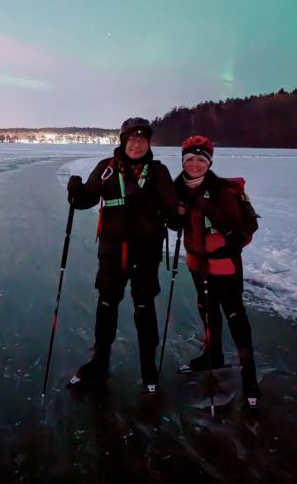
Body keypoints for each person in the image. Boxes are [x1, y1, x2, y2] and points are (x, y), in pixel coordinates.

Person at [66, 117, 177, 394]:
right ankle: (99, 362)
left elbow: (174, 211)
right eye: (132, 140)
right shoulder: (106, 169)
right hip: (112, 253)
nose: (137, 145)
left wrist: (172, 213)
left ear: (148, 144)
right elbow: (85, 200)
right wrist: (75, 191)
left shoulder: (159, 171)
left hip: (146, 253)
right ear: (124, 141)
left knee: (144, 308)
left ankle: (149, 370)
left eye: (143, 140)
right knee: (106, 305)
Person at [173, 135, 261, 407]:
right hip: (197, 263)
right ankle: (213, 356)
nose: (195, 164)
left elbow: (247, 226)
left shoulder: (222, 190)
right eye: (190, 159)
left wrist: (231, 235)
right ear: (183, 161)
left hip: (224, 264)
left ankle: (250, 378)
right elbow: (176, 223)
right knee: (207, 310)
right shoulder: (178, 189)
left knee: (235, 316)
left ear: (209, 162)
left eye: (201, 159)